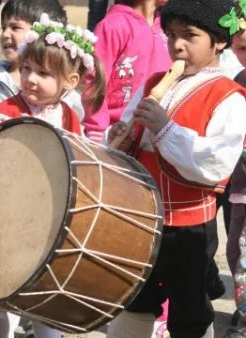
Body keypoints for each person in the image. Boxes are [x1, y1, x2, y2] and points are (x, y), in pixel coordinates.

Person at [105, 0, 246, 337]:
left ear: (219, 41)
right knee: (135, 296)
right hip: (143, 215)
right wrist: (122, 138)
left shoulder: (229, 96)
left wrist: (166, 129)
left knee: (190, 307)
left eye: (189, 36)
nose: (177, 45)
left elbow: (216, 163)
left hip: (189, 225)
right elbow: (130, 130)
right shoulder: (155, 81)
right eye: (170, 35)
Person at [0, 13, 103, 338]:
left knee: (47, 297)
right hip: (11, 219)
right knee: (4, 299)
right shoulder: (5, 112)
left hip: (53, 221)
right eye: (26, 68)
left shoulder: (69, 116)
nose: (29, 78)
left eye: (43, 73)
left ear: (70, 81)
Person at [0, 0, 84, 121]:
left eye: (15, 28)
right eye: (3, 28)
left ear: (45, 35)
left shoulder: (67, 95)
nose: (5, 34)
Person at [83, 0, 171, 143]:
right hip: (114, 133)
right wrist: (96, 130)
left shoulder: (169, 27)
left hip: (154, 132)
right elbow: (95, 79)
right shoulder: (113, 25)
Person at [223, 3, 246, 335]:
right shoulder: (238, 80)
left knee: (244, 252)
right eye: (242, 48)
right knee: (232, 247)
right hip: (240, 182)